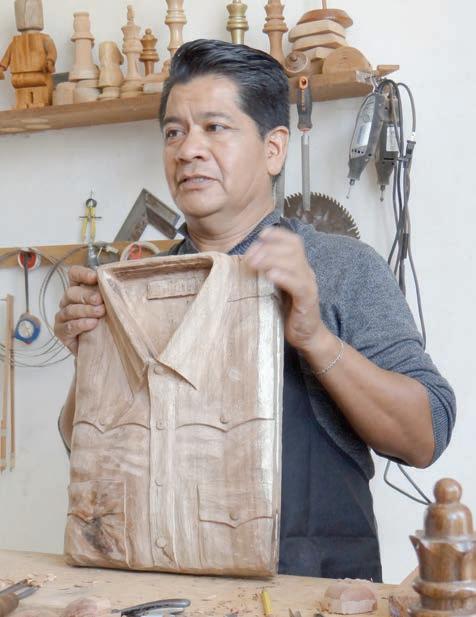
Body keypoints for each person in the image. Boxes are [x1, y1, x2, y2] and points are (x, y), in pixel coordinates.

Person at [54, 39, 456, 581]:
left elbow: (426, 435)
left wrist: (315, 338)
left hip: (311, 594)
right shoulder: (137, 286)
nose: (188, 150)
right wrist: (92, 358)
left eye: (215, 127)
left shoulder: (342, 268)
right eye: (174, 132)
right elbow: (85, 450)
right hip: (165, 586)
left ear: (274, 149)